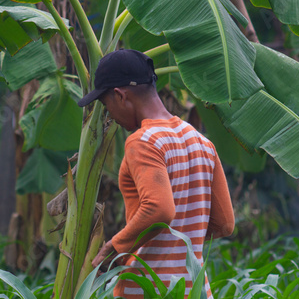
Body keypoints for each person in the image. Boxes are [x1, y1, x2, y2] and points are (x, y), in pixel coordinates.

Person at [78, 49, 235, 299]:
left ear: (120, 96)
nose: (109, 115)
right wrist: (179, 240)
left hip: (148, 290)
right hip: (195, 290)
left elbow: (159, 209)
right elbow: (225, 224)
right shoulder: (202, 142)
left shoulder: (143, 141)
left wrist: (114, 248)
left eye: (106, 105)